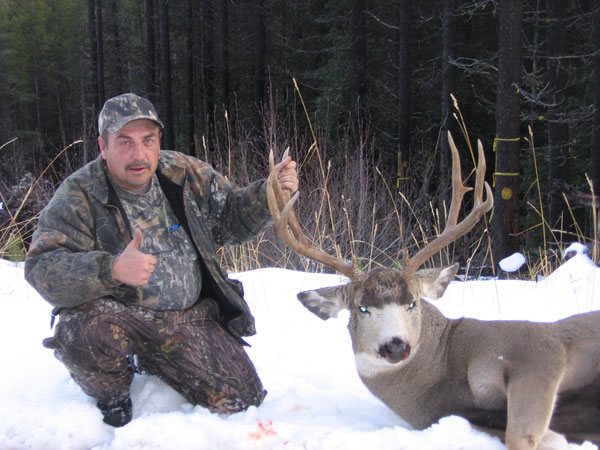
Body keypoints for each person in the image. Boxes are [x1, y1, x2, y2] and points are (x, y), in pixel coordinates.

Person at [24, 93, 298, 427]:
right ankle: (114, 393)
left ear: (158, 141)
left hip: (191, 319)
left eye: (147, 141)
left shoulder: (182, 173)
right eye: (124, 142)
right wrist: (110, 270)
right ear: (102, 146)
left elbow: (230, 218)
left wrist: (270, 193)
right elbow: (42, 267)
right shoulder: (78, 194)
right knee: (77, 333)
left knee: (243, 400)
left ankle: (156, 361)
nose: (138, 154)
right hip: (122, 318)